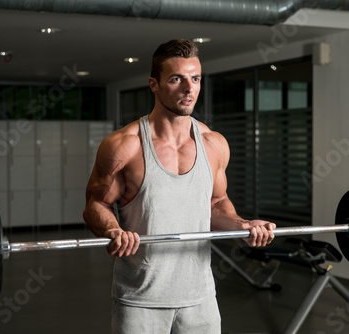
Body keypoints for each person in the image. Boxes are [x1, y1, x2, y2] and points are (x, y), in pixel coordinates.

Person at [83, 39, 276, 334]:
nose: (189, 89)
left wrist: (244, 224)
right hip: (140, 300)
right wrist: (113, 230)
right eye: (176, 79)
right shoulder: (125, 145)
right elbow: (96, 204)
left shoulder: (214, 144)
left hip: (200, 299)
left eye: (195, 79)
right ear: (154, 84)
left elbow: (215, 204)